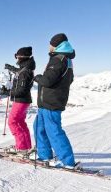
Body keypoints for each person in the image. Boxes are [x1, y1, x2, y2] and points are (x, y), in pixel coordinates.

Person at [33, 33, 76, 168]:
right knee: (39, 128)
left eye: (51, 44)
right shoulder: (65, 59)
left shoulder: (59, 59)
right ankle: (44, 155)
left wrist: (38, 77)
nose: (49, 46)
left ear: (56, 45)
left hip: (51, 103)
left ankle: (68, 162)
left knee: (54, 131)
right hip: (47, 102)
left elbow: (48, 80)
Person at [0, 46, 36, 154]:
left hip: (21, 101)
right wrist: (11, 68)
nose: (16, 59)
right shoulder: (26, 68)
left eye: (17, 56)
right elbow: (20, 71)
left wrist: (6, 92)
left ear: (21, 57)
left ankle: (21, 148)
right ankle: (26, 146)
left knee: (13, 122)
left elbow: (21, 91)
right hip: (24, 100)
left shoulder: (25, 72)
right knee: (20, 122)